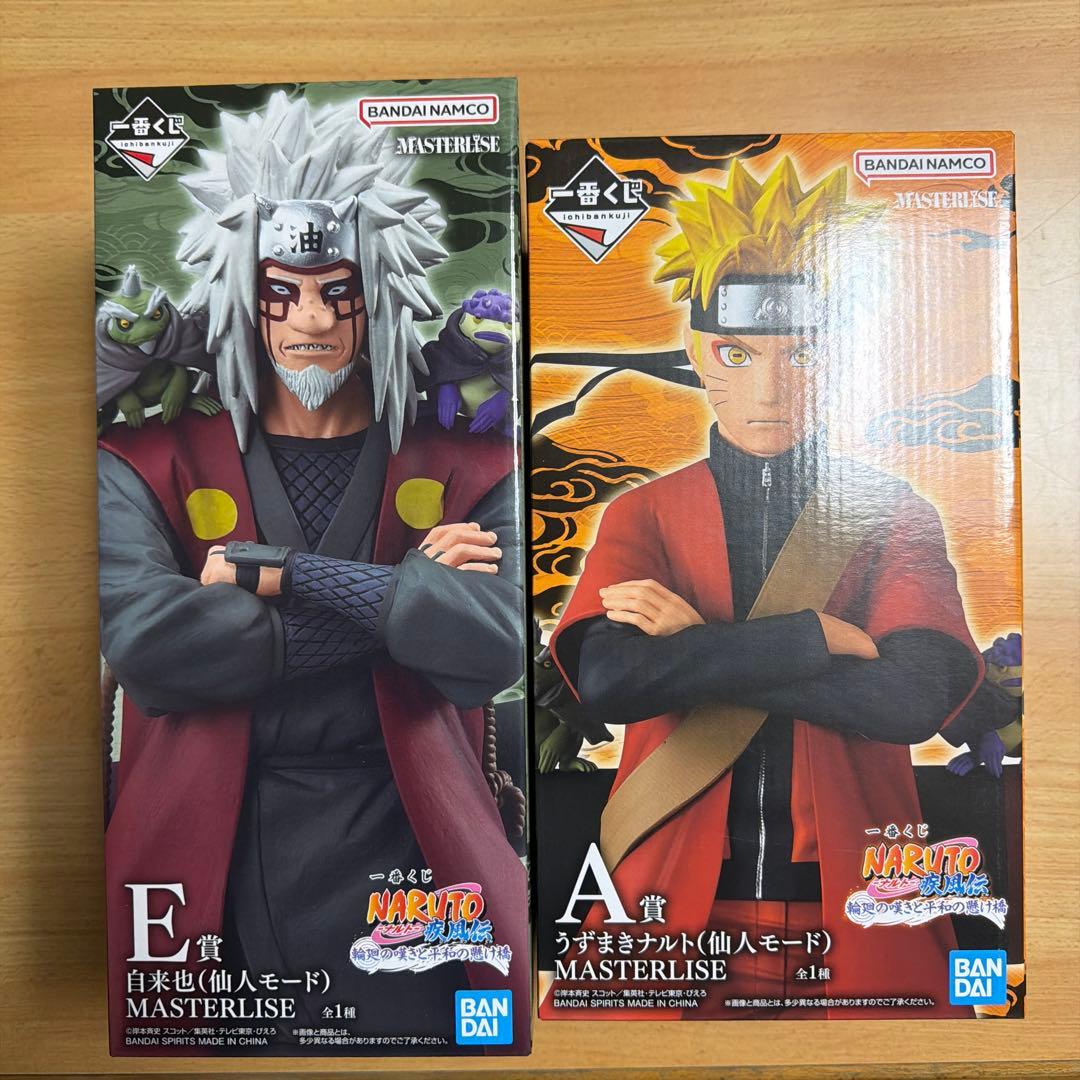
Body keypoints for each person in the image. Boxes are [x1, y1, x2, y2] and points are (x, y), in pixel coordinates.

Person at [98, 92, 527, 1053]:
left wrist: (281, 576)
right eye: (281, 292)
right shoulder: (146, 456)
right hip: (208, 844)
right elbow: (152, 652)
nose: (311, 320)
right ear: (237, 290)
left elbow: (493, 648)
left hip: (420, 841)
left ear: (383, 288)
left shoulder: (474, 456)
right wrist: (405, 596)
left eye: (339, 291)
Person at [546, 157, 982, 1019]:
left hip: (863, 900)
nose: (770, 389)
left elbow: (910, 700)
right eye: (737, 354)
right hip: (664, 898)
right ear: (696, 354)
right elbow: (611, 682)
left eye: (803, 354)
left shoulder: (893, 512)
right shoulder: (645, 513)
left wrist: (695, 648)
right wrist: (810, 639)